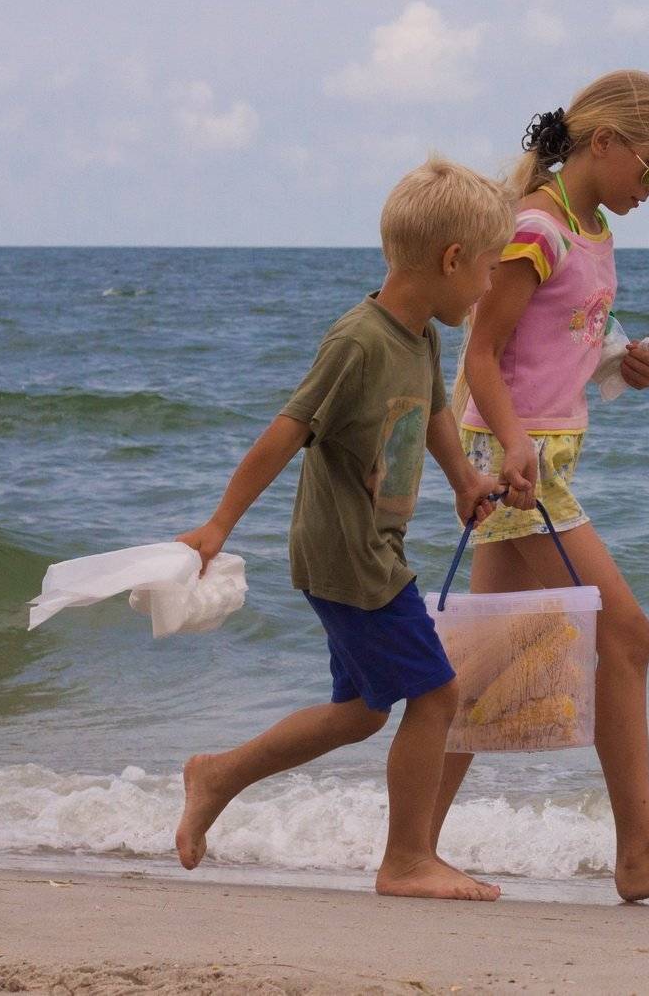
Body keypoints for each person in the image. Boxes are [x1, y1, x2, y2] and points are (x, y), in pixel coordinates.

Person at [172, 156, 514, 902]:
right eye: (488, 269)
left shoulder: (421, 338)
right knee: (437, 694)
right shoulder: (359, 341)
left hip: (370, 547)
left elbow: (434, 413)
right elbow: (286, 430)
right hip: (350, 554)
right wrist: (219, 524)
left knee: (360, 712)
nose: (489, 286)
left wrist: (465, 483)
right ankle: (407, 860)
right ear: (452, 259)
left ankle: (218, 775)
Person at [436, 70, 649, 901]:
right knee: (627, 635)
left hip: (544, 457)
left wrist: (619, 362)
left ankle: (407, 848)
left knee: (485, 664)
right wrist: (513, 444)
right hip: (519, 464)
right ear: (603, 143)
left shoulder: (591, 227)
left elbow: (556, 342)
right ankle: (639, 853)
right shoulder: (536, 227)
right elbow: (482, 355)